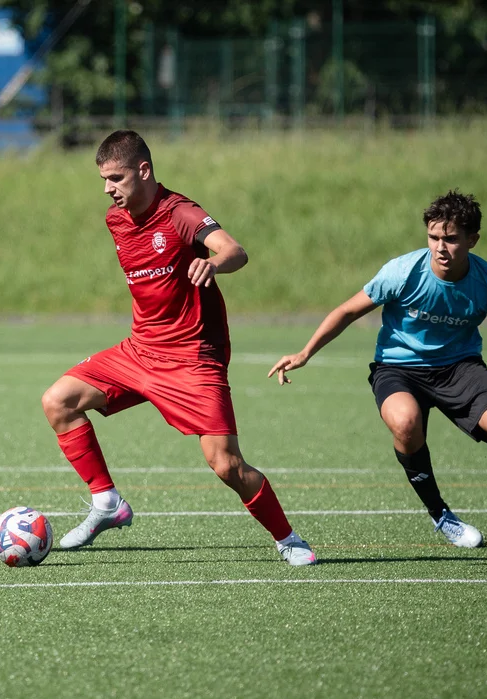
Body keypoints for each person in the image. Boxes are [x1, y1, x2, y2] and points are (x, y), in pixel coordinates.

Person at [40, 130, 316, 566]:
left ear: (143, 170)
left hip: (192, 360)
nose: (107, 188)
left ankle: (289, 539)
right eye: (103, 179)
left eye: (115, 178)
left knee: (226, 464)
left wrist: (213, 263)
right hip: (139, 351)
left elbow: (235, 251)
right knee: (58, 401)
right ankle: (107, 502)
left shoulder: (181, 213)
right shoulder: (116, 219)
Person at [268, 190, 487, 550]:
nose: (441, 247)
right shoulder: (403, 272)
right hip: (398, 368)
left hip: (460, 368)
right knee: (405, 423)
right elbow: (347, 311)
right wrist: (305, 353)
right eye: (433, 237)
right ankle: (441, 515)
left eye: (451, 238)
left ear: (472, 240)